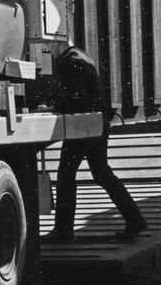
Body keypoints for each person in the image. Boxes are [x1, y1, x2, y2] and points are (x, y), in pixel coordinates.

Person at [44, 43, 148, 243]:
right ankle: (135, 219)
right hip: (98, 122)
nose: (48, 51)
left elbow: (76, 97)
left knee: (66, 175)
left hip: (83, 125)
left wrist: (54, 107)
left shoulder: (69, 61)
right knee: (102, 173)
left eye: (48, 47)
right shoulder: (81, 56)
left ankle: (63, 231)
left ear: (55, 44)